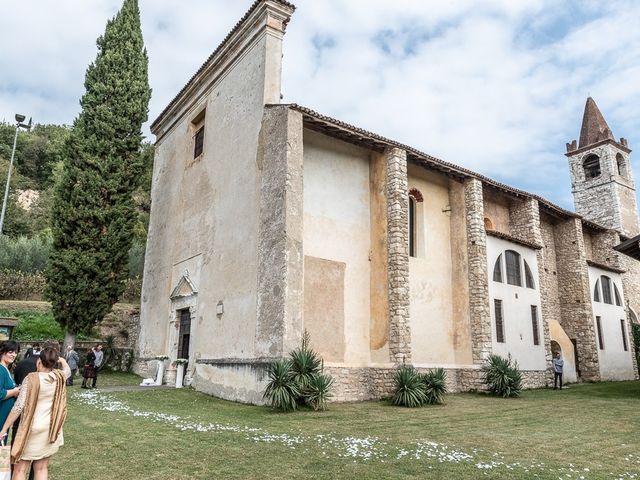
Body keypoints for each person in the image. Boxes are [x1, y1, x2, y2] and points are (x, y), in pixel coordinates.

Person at [0, 347, 70, 480]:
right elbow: (67, 371)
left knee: (20, 469)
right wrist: (63, 361)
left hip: (31, 429)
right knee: (42, 468)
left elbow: (18, 407)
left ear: (39, 361)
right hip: (51, 427)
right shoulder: (59, 376)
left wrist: (3, 429)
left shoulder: (31, 379)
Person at [0, 341, 21, 440]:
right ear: (2, 352)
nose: (14, 355)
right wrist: (14, 391)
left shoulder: (6, 369)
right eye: (10, 352)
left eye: (15, 352)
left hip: (4, 417)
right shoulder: (0, 370)